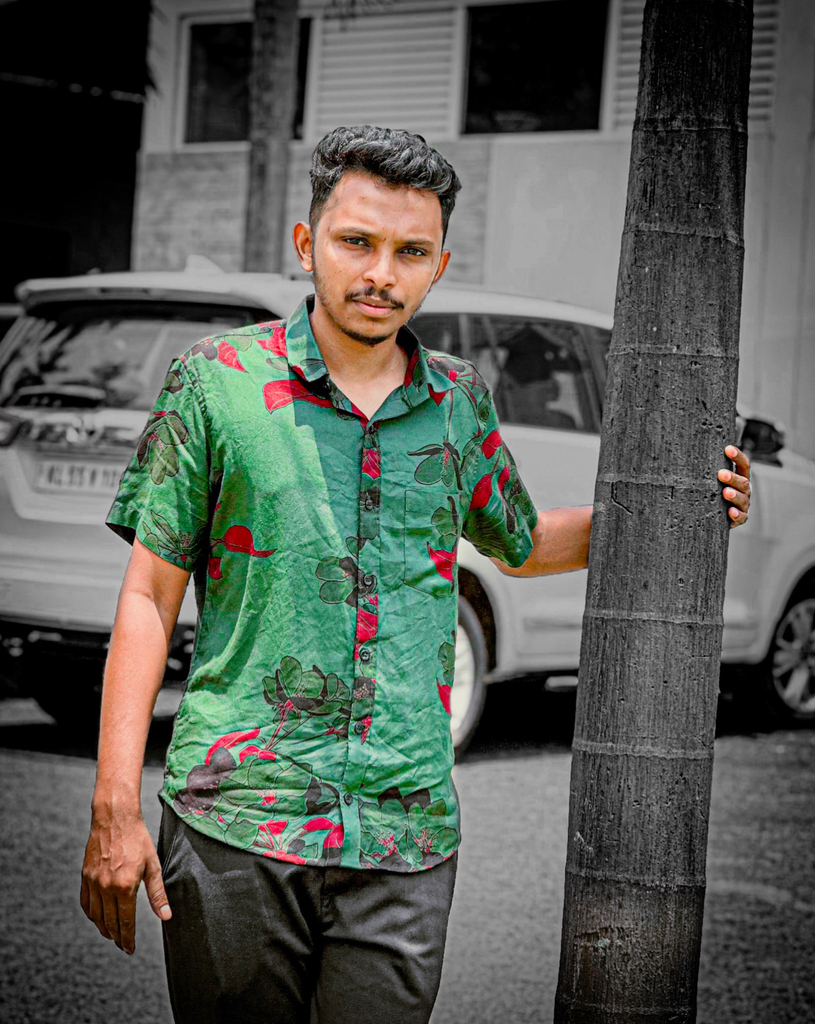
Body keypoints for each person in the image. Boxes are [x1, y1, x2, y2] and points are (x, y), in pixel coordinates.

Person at [80, 125, 752, 1024]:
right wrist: (113, 808)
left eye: (410, 252)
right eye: (357, 241)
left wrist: (677, 510)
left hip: (406, 832)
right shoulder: (218, 383)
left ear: (438, 266)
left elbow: (521, 540)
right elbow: (147, 596)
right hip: (235, 821)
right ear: (306, 242)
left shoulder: (457, 401)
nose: (379, 273)